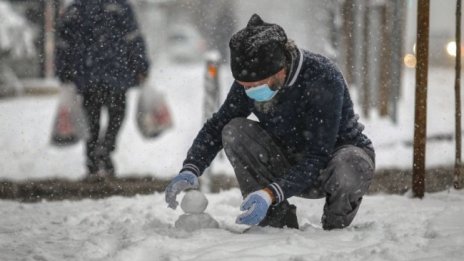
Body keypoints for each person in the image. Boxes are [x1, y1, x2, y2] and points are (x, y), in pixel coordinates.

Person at [165, 14, 375, 230]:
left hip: (331, 164)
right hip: (286, 162)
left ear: (280, 68)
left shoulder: (323, 77)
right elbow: (218, 125)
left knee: (350, 165)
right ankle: (274, 223)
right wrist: (191, 167)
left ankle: (334, 230)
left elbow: (318, 155)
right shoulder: (250, 80)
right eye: (244, 86)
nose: (250, 91)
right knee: (233, 131)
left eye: (257, 85)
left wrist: (270, 193)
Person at [55, 0, 150, 180]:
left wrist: (64, 71)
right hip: (115, 73)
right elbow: (134, 38)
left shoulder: (76, 9)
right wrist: (141, 66)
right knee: (117, 114)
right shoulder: (121, 6)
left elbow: (64, 43)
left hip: (87, 74)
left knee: (91, 118)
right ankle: (106, 148)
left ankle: (92, 162)